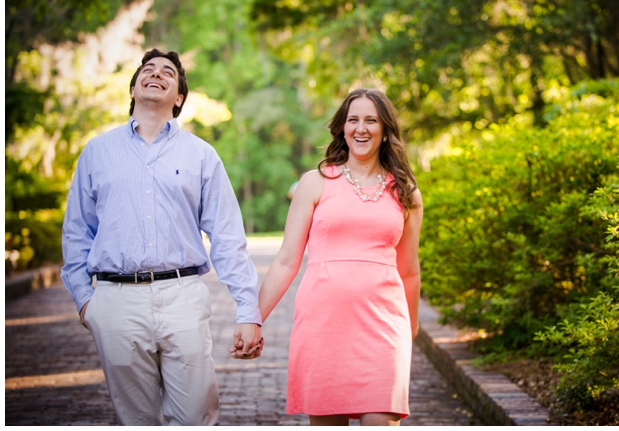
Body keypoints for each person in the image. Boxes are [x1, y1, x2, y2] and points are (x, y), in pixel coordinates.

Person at [61, 48, 263, 426]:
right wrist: (87, 302)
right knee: (135, 420)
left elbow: (227, 237)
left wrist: (248, 310)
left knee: (194, 416)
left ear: (179, 97)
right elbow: (76, 231)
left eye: (167, 71)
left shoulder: (202, 155)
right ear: (134, 89)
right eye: (147, 70)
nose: (155, 74)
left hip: (182, 295)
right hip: (115, 301)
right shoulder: (97, 152)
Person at [258, 88, 423, 426]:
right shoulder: (315, 183)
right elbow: (287, 261)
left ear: (385, 129)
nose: (361, 128)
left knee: (383, 418)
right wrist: (253, 318)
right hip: (323, 326)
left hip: (384, 327)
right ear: (342, 128)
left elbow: (409, 270)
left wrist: (412, 326)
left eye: (371, 120)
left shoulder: (406, 192)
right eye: (353, 120)